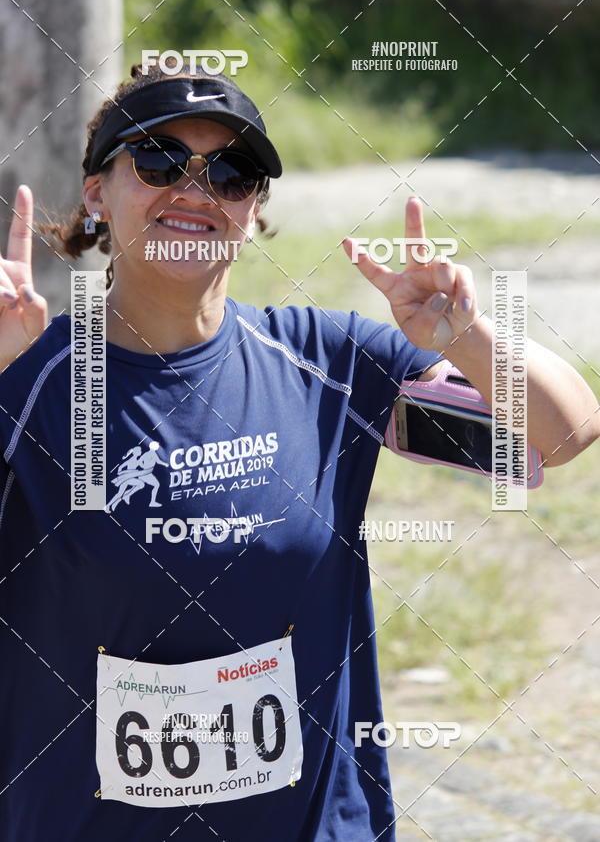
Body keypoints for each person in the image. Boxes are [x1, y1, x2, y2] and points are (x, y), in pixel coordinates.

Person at [0, 63, 597, 842]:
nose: (194, 189)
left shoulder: (329, 365)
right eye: (156, 162)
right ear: (95, 195)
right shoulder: (26, 378)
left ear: (253, 211)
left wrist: (465, 336)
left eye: (232, 173)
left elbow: (558, 434)